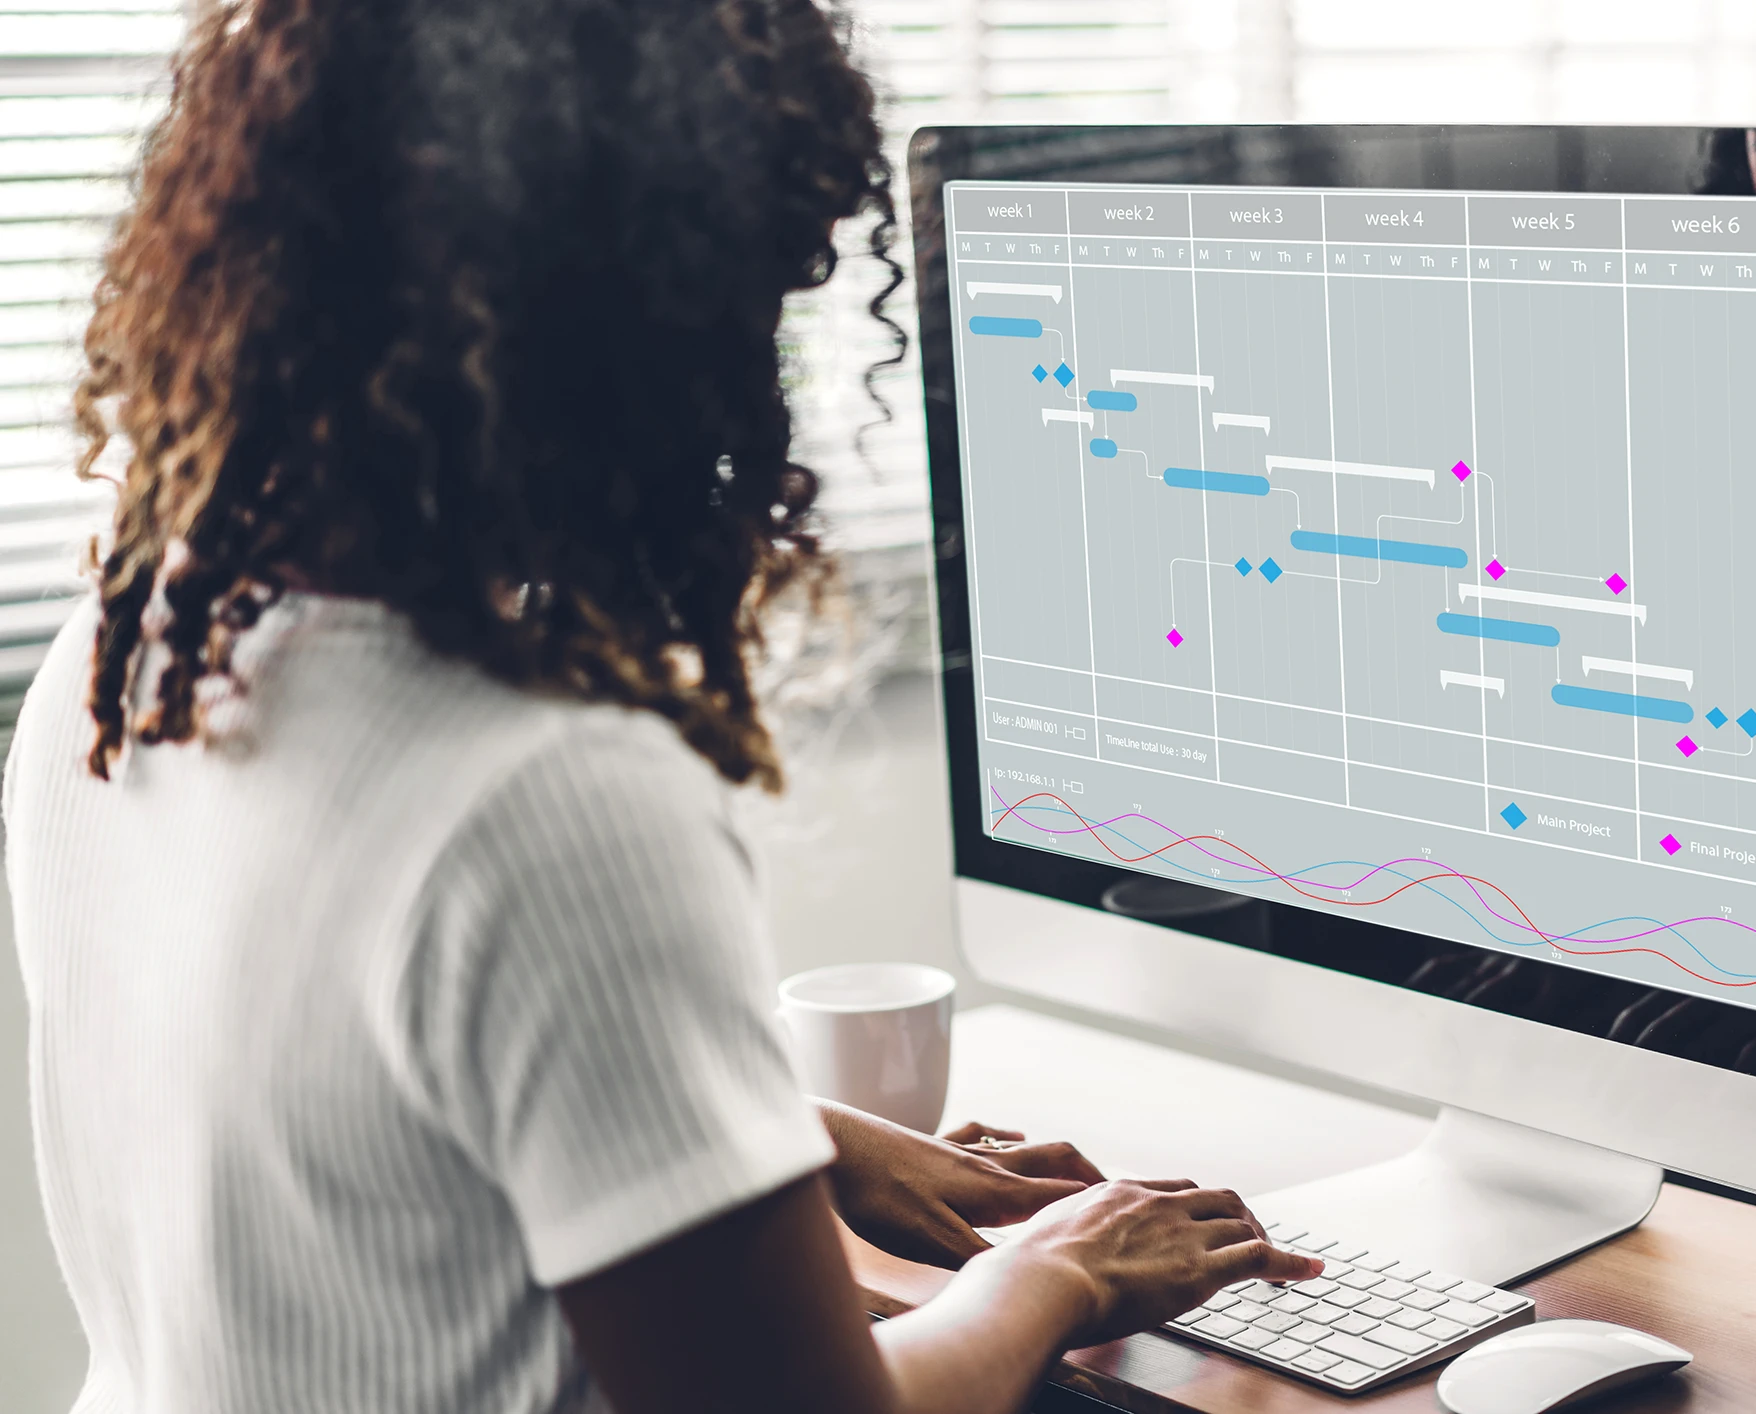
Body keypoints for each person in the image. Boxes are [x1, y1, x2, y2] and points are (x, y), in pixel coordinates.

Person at [2, 2, 1319, 1412]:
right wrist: (1056, 1267)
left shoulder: (129, 656)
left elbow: (344, 1140)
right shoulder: (544, 799)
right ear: (640, 331)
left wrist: (782, 1138)